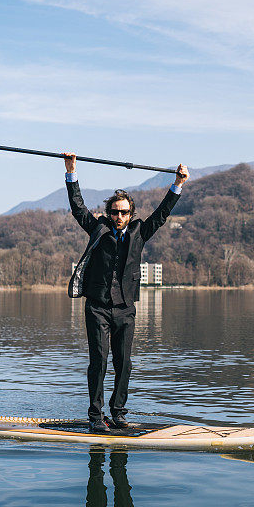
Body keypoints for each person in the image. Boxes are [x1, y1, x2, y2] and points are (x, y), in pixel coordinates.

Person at [64, 153, 188, 432]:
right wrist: (71, 171)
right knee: (99, 361)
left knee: (124, 363)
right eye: (114, 212)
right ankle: (96, 417)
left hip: (125, 309)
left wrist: (178, 183)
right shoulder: (97, 228)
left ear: (131, 214)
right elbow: (77, 207)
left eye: (123, 212)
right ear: (108, 213)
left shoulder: (141, 232)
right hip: (97, 306)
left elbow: (163, 213)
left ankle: (117, 413)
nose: (118, 216)